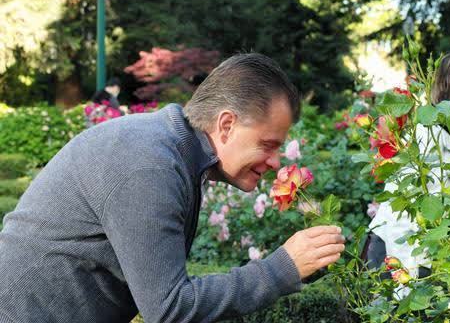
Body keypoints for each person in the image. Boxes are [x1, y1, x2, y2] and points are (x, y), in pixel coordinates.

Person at [0, 53, 345, 323]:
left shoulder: (173, 150)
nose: (275, 162)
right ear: (226, 125)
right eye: (268, 144)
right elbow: (169, 309)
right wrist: (281, 269)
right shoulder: (149, 162)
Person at [365, 49, 450, 278]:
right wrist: (405, 286)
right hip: (394, 257)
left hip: (424, 254)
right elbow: (403, 221)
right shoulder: (427, 138)